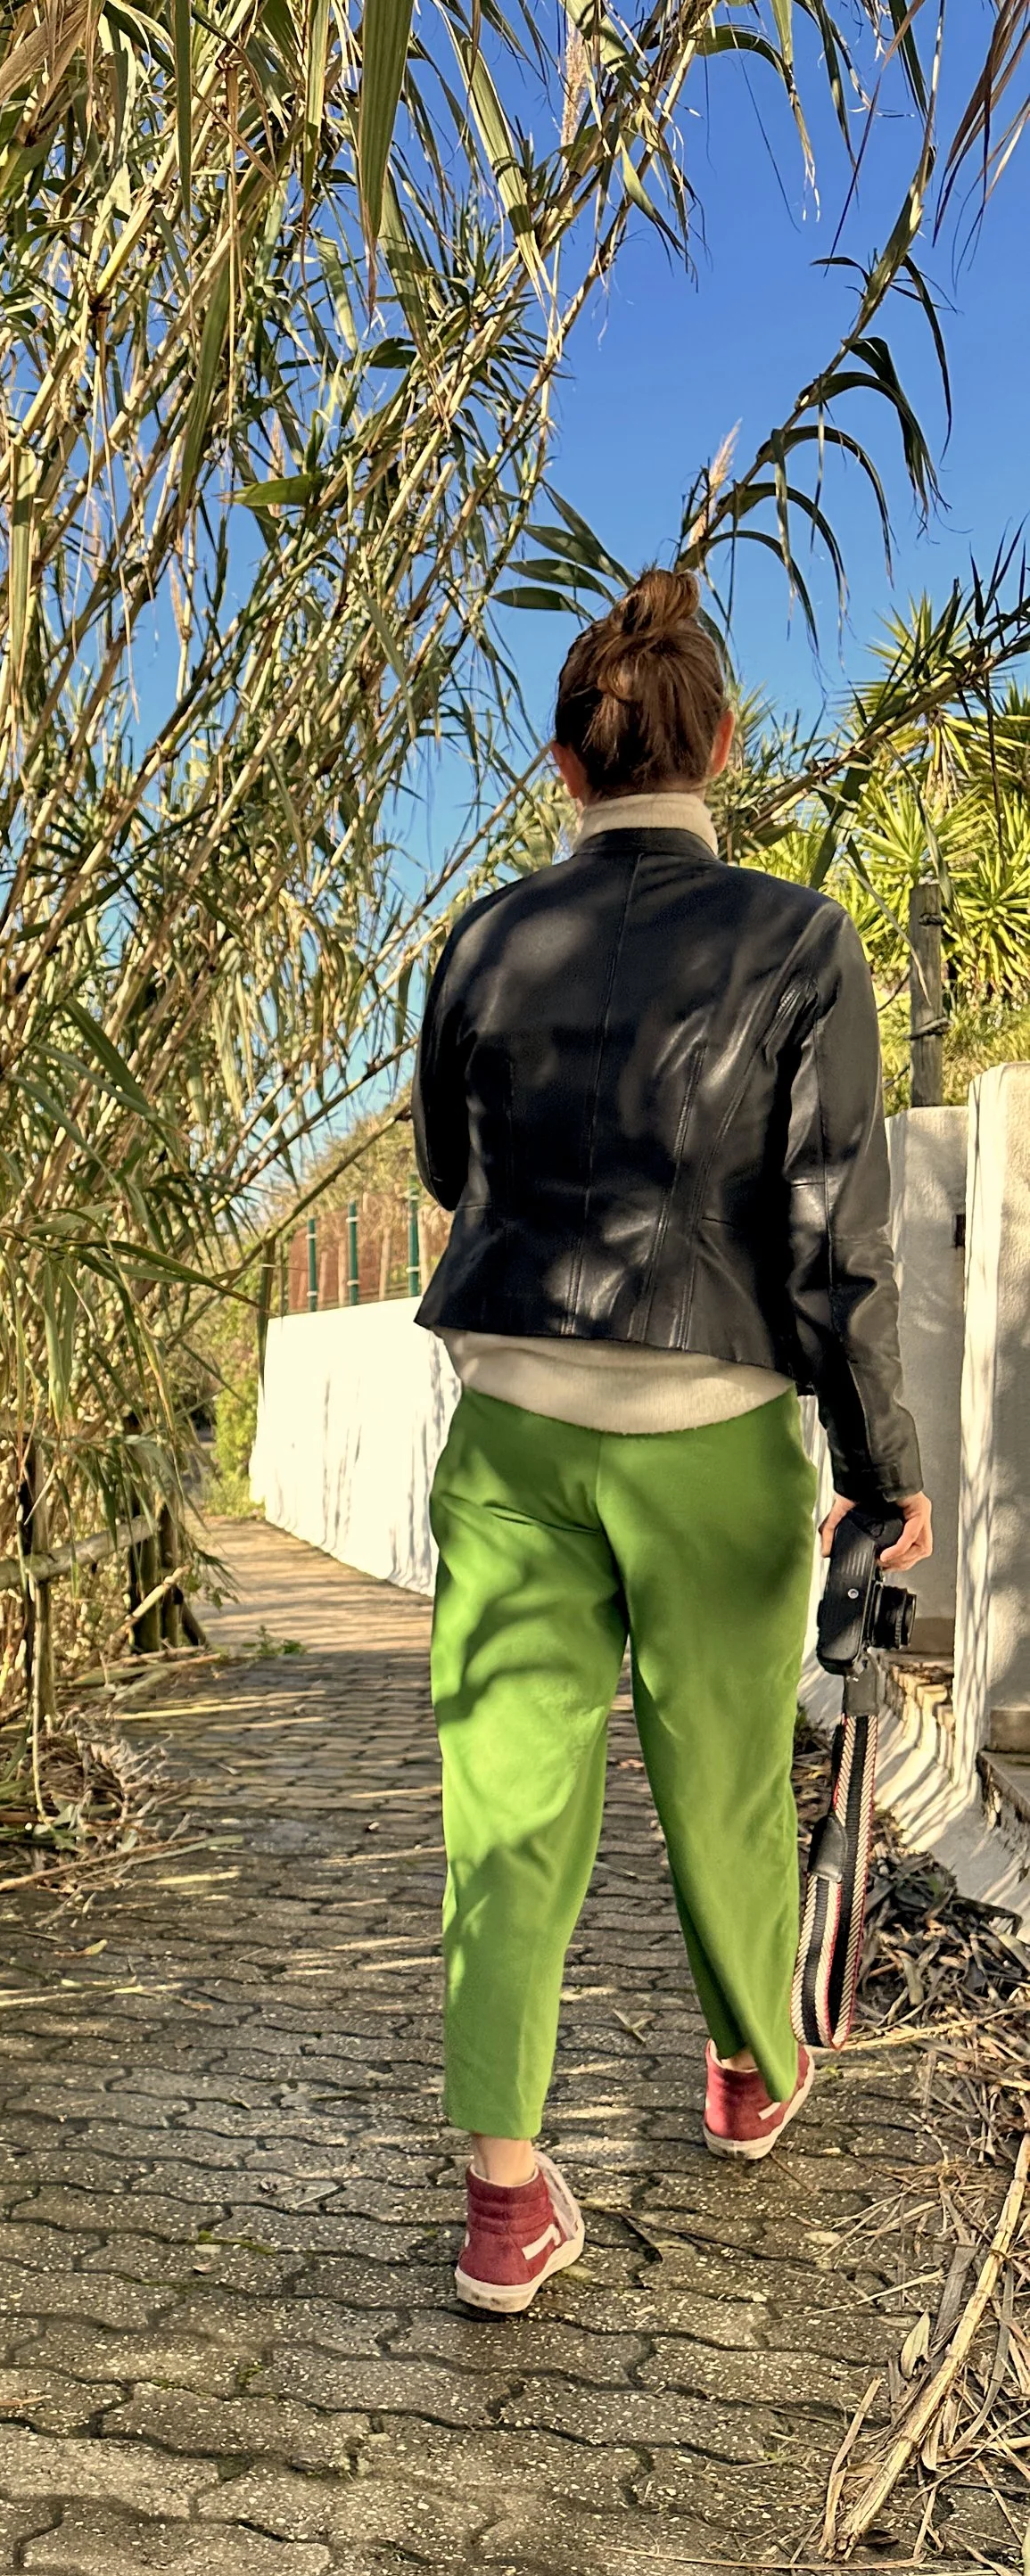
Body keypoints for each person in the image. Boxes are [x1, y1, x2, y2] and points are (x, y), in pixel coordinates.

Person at [411, 568, 930, 2317]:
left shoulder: (484, 937)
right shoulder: (798, 941)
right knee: (718, 1780)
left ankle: (499, 2203)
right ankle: (741, 2075)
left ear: (561, 764)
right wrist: (882, 1463)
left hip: (511, 1435)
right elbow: (824, 1234)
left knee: (503, 1811)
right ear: (721, 745)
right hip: (713, 1438)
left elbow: (440, 1170)